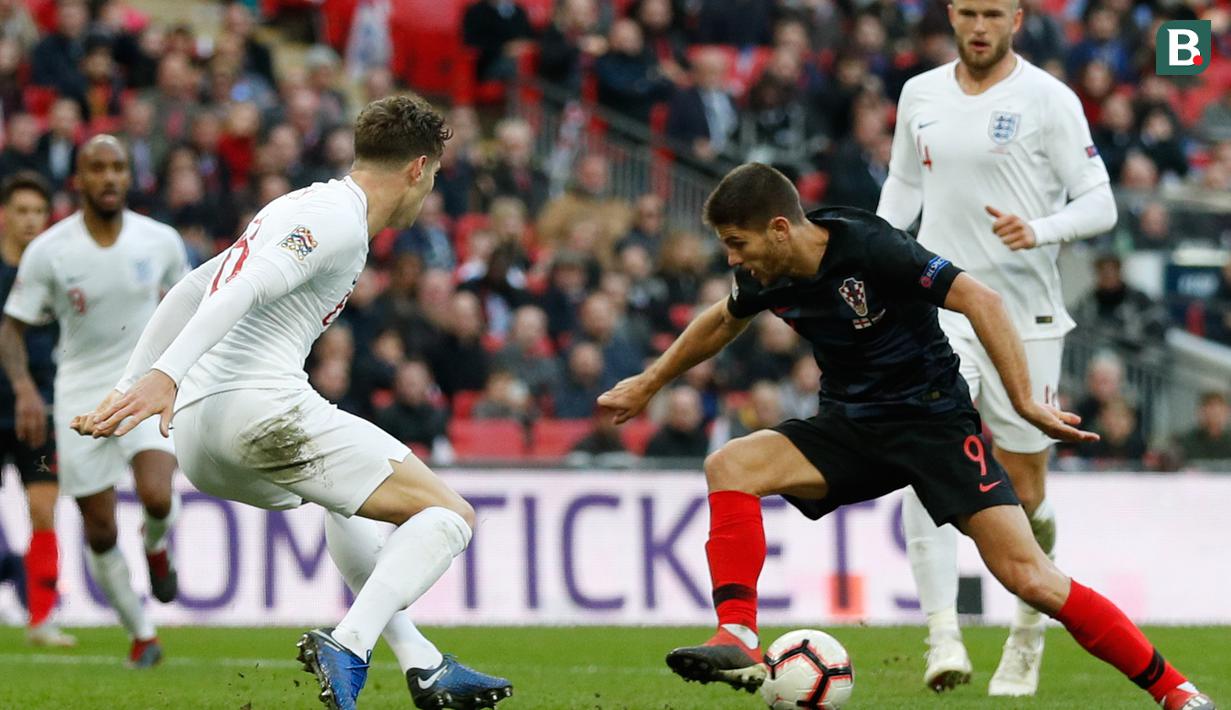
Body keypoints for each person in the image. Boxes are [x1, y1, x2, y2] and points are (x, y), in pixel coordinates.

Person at [597, 164, 1213, 710]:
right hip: (850, 426)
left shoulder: (871, 247)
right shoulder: (767, 273)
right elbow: (719, 321)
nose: (733, 259)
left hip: (933, 426)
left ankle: (1177, 692)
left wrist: (1023, 401)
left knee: (1031, 578)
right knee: (730, 465)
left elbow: (982, 299)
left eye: (738, 243)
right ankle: (737, 635)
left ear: (780, 228)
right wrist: (650, 383)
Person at [71, 97, 513, 710]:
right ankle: (351, 645)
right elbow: (240, 291)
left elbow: (192, 287)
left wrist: (131, 382)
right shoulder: (336, 219)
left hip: (203, 438)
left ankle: (425, 665)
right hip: (258, 411)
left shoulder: (301, 204)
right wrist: (163, 375)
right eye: (434, 174)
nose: (431, 188)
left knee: (353, 509)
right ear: (417, 168)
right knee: (450, 517)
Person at [875, 0, 1119, 695]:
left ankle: (1026, 628)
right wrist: (872, 254)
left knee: (1025, 492)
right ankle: (941, 635)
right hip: (942, 303)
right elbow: (902, 183)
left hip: (1026, 316)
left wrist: (1038, 230)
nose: (978, 25)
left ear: (1015, 17)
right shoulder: (918, 92)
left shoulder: (1048, 98)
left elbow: (1099, 203)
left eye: (992, 12)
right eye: (967, 12)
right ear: (950, 15)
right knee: (926, 450)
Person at [1, 139, 186, 667]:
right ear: (78, 180)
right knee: (100, 529)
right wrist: (24, 387)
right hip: (79, 398)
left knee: (157, 495)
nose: (108, 177)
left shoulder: (161, 241)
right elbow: (11, 329)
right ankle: (143, 634)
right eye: (97, 168)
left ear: (129, 176)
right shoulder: (50, 250)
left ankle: (156, 546)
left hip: (143, 386)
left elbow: (194, 306)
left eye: (117, 167)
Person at [0, 172, 73, 647]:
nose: (29, 221)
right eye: (21, 211)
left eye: (37, 212)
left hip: (41, 412)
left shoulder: (58, 274)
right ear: (6, 215)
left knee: (43, 509)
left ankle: (41, 618)